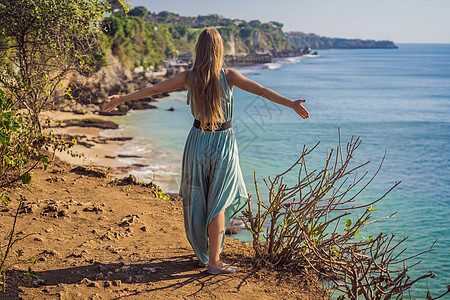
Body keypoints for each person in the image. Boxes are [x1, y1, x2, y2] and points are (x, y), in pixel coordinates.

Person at [101, 28, 309, 275]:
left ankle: (205, 255)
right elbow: (262, 91)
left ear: (198, 50)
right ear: (220, 50)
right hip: (223, 143)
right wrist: (291, 104)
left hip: (197, 141)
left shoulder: (188, 77)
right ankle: (214, 261)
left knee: (198, 200)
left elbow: (155, 90)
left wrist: (121, 99)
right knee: (219, 201)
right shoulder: (229, 76)